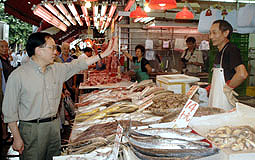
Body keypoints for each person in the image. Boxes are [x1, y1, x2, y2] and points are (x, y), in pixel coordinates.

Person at [2, 32, 117, 160]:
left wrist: (103, 55)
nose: (55, 52)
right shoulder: (18, 75)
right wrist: (17, 138)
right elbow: (9, 110)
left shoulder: (57, 69)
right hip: (32, 129)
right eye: (51, 48)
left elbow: (78, 65)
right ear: (38, 50)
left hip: (54, 127)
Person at [209, 20, 248, 106]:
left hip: (224, 100)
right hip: (216, 97)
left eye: (214, 33)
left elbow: (242, 74)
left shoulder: (231, 49)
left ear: (225, 33)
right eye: (210, 33)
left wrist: (228, 88)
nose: (211, 37)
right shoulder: (219, 52)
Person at [0, 40, 15, 145]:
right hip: (2, 92)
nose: (5, 48)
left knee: (5, 113)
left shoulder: (6, 59)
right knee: (3, 114)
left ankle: (5, 134)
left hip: (7, 91)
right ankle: (4, 135)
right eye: (2, 47)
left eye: (6, 46)